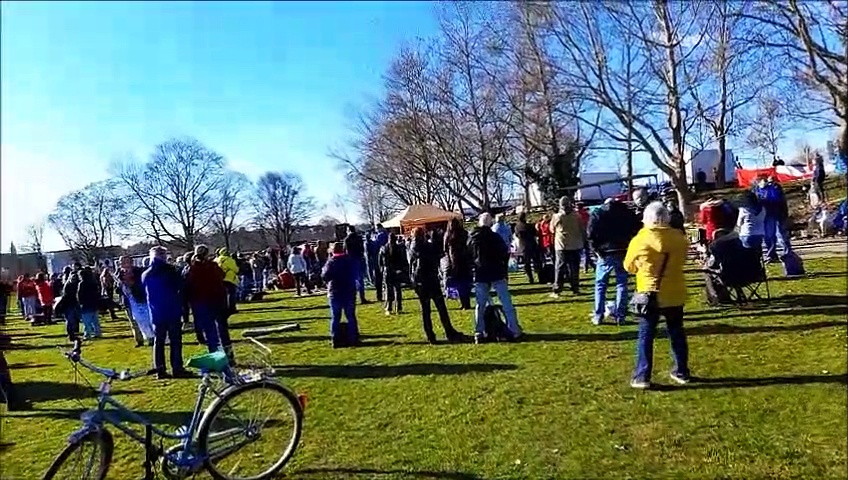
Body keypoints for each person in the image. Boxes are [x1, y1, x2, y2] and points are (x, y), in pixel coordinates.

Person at [624, 201, 690, 389]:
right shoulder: (679, 238)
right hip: (674, 292)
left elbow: (628, 266)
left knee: (646, 335)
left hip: (649, 292)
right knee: (677, 332)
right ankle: (682, 371)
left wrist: (642, 266)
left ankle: (642, 375)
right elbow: (683, 259)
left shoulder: (640, 239)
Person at [469, 213, 522, 344]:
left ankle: (479, 332)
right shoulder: (495, 237)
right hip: (496, 272)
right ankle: (514, 329)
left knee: (480, 305)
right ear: (490, 223)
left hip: (481, 274)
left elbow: (468, 255)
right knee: (506, 303)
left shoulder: (472, 238)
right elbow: (504, 253)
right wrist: (503, 268)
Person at [587, 198, 640, 326]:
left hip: (605, 252)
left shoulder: (598, 213)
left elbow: (590, 233)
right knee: (622, 283)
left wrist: (595, 249)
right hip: (623, 250)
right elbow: (637, 228)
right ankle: (620, 315)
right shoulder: (626, 212)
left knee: (601, 284)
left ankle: (598, 315)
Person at [142, 247, 192, 379]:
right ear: (163, 256)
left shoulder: (146, 274)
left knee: (159, 342)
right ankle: (177, 368)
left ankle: (160, 369)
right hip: (172, 309)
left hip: (156, 312)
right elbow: (180, 286)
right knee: (175, 341)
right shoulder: (172, 271)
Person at [409, 227, 463, 344]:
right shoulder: (426, 246)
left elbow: (412, 265)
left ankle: (430, 335)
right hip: (431, 280)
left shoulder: (412, 247)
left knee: (426, 310)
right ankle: (449, 331)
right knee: (441, 308)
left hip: (420, 282)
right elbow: (437, 257)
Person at [185, 245, 229, 355]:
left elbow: (187, 286)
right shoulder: (213, 266)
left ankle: (215, 354)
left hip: (201, 302)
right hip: (216, 299)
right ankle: (228, 354)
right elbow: (222, 276)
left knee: (209, 330)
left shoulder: (191, 269)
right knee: (222, 329)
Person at [322, 242, 360, 348]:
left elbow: (325, 276)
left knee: (335, 317)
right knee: (351, 316)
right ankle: (353, 338)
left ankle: (335, 338)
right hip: (349, 290)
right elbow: (356, 274)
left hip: (335, 291)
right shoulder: (350, 260)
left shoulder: (331, 262)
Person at [550, 196, 584, 297]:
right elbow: (582, 229)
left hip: (562, 245)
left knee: (560, 268)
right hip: (576, 245)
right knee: (574, 268)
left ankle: (557, 289)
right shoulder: (577, 216)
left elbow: (552, 229)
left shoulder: (557, 216)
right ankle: (575, 288)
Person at [118, 256, 154, 347]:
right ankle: (139, 340)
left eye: (126, 262)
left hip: (141, 301)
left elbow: (143, 286)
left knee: (146, 320)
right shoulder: (119, 274)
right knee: (134, 322)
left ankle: (151, 338)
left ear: (131, 262)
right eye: (122, 263)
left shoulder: (139, 272)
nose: (124, 265)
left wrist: (131, 282)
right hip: (128, 302)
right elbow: (118, 288)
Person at [754, 176, 791, 262]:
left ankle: (787, 253)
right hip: (766, 216)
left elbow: (780, 201)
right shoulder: (757, 190)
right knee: (769, 236)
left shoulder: (774, 188)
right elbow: (757, 204)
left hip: (778, 215)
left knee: (781, 235)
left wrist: (784, 214)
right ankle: (771, 254)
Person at [443, 217, 473, 310]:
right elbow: (469, 246)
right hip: (464, 261)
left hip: (454, 262)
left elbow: (445, 249)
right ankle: (466, 302)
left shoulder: (448, 235)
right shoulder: (464, 233)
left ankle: (463, 302)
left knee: (458, 283)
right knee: (465, 283)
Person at [379, 233, 407, 315]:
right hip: (396, 271)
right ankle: (399, 308)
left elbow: (380, 261)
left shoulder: (383, 248)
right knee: (397, 290)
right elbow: (402, 260)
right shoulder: (399, 248)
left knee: (388, 290)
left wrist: (382, 269)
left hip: (387, 271)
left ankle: (389, 308)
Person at [514, 212, 542, 284]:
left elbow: (517, 235)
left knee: (527, 263)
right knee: (536, 261)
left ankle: (530, 278)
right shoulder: (529, 226)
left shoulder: (517, 227)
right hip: (532, 244)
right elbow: (535, 233)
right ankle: (540, 277)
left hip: (523, 246)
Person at [344, 226, 368, 304]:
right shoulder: (359, 238)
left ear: (348, 230)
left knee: (352, 280)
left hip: (351, 260)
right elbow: (362, 249)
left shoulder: (347, 239)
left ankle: (352, 299)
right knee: (361, 280)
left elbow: (346, 251)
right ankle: (362, 297)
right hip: (360, 258)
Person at [77, 267, 103, 339]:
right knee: (95, 320)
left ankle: (87, 334)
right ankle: (98, 333)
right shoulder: (93, 282)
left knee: (86, 321)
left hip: (86, 304)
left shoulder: (81, 284)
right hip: (94, 303)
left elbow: (79, 294)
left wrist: (80, 302)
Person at [215, 248, 239, 313]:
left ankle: (223, 308)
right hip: (229, 278)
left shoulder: (216, 260)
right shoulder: (229, 260)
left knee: (222, 295)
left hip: (220, 279)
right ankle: (231, 308)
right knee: (231, 294)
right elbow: (235, 269)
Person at [371, 224, 389, 302]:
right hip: (386, 260)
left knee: (378, 279)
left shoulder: (380, 236)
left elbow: (376, 247)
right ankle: (387, 294)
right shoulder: (386, 234)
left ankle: (380, 295)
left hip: (378, 259)